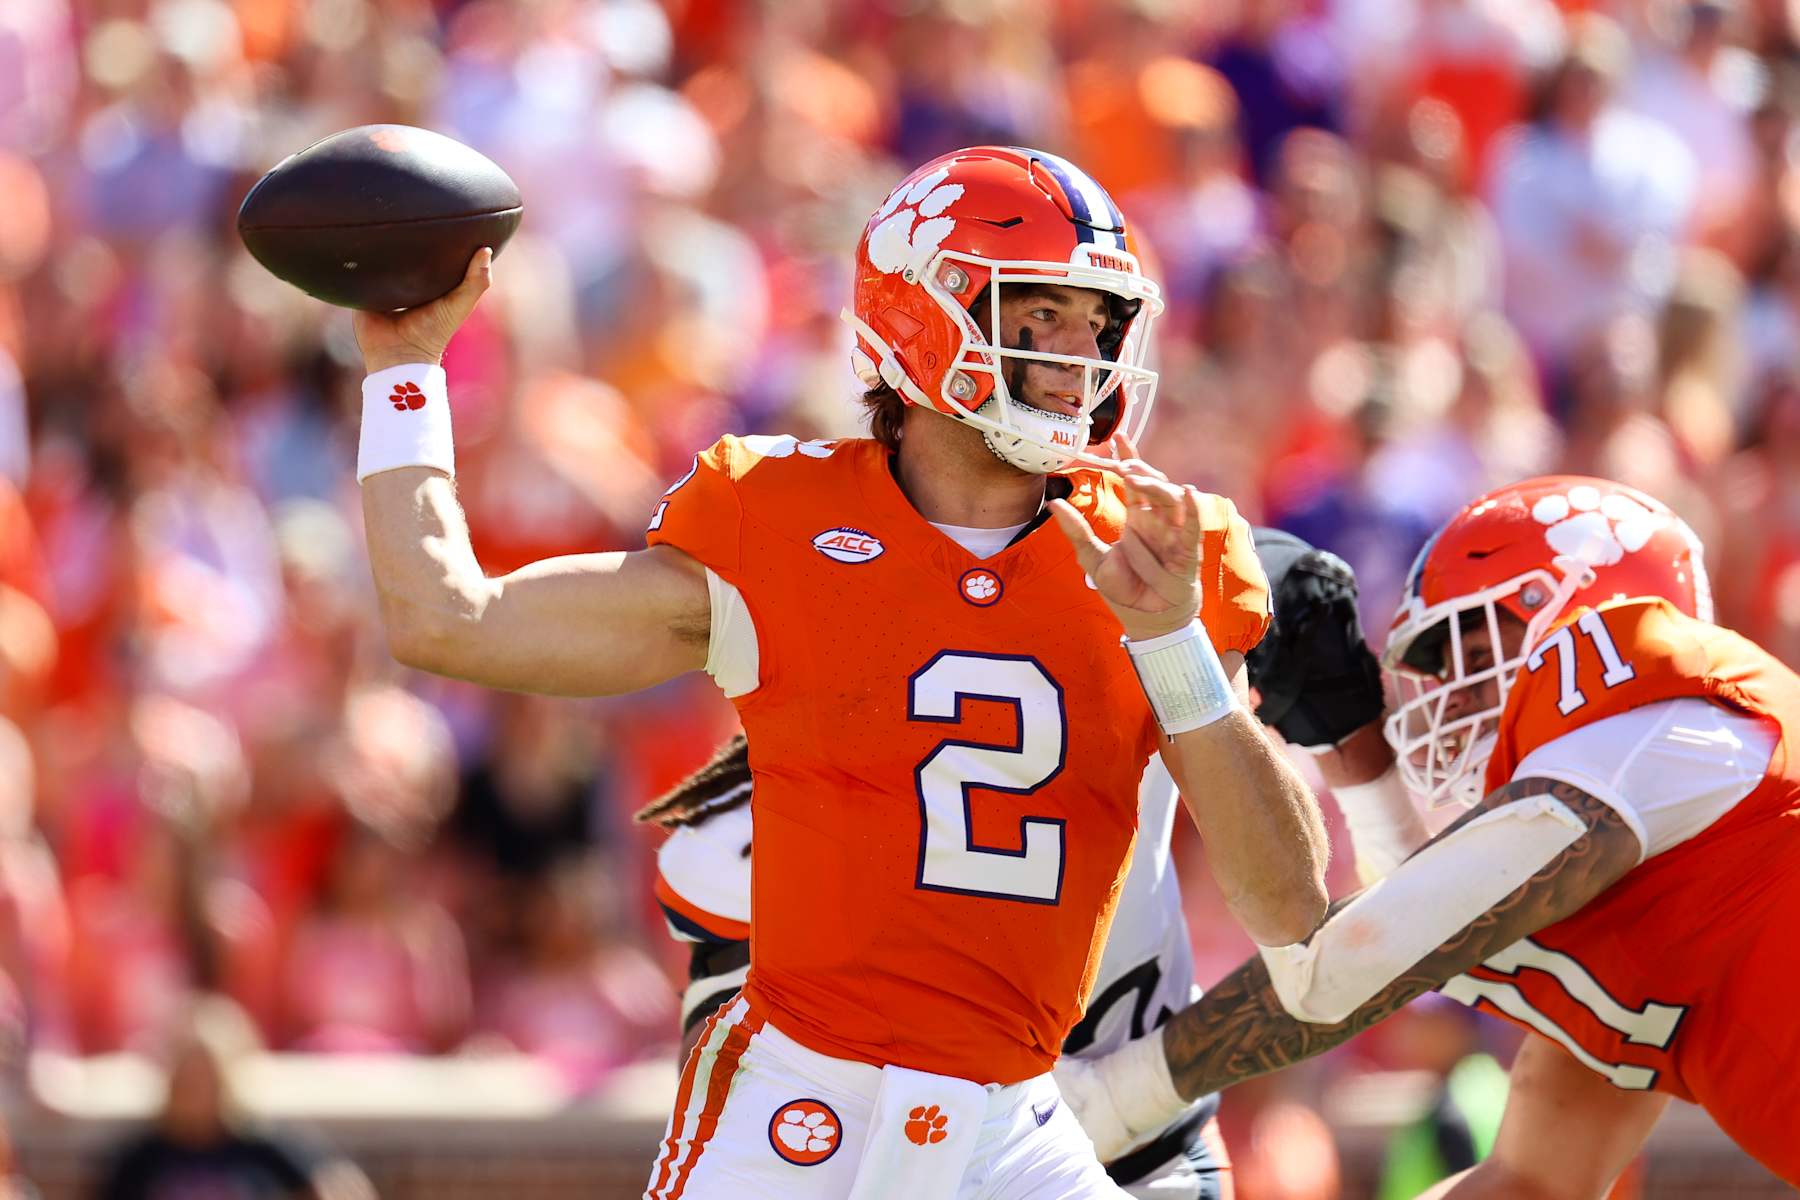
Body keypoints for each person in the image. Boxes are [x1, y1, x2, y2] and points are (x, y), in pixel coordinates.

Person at [349, 144, 1329, 1199]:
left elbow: (1290, 907)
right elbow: (449, 619)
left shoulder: (1158, 555)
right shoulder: (780, 520)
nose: (1077, 356)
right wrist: (406, 371)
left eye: (1098, 323)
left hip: (1014, 1123)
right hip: (795, 1110)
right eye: (1040, 316)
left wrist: (1176, 648)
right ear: (924, 313)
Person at [1057, 475, 1800, 1194]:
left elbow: (1350, 969)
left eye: (1479, 659)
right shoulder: (1647, 897)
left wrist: (1121, 1099)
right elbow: (1529, 1183)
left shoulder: (1674, 717)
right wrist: (1350, 746)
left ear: (1582, 620)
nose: (1454, 701)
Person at [636, 525, 1392, 1199]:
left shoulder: (1151, 639)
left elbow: (1326, 939)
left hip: (1142, 1152)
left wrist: (1129, 1092)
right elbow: (747, 1116)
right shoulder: (752, 831)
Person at [94, 996, 373, 1200]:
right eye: (187, 1077)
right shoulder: (141, 1158)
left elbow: (340, 1186)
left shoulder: (262, 1144)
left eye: (205, 1078)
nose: (194, 1089)